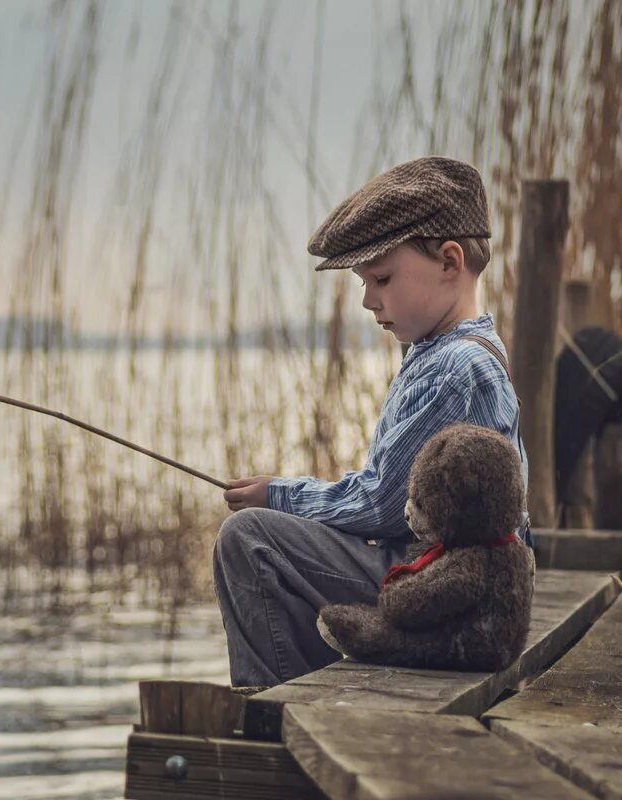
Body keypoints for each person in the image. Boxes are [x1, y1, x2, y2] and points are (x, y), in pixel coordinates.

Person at [213, 156, 532, 688]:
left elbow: (386, 505)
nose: (367, 300)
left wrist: (280, 495)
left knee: (251, 540)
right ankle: (305, 682)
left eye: (381, 278)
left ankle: (277, 709)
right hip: (462, 583)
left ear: (450, 261)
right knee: (270, 539)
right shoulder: (454, 349)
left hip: (451, 589)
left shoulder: (456, 368)